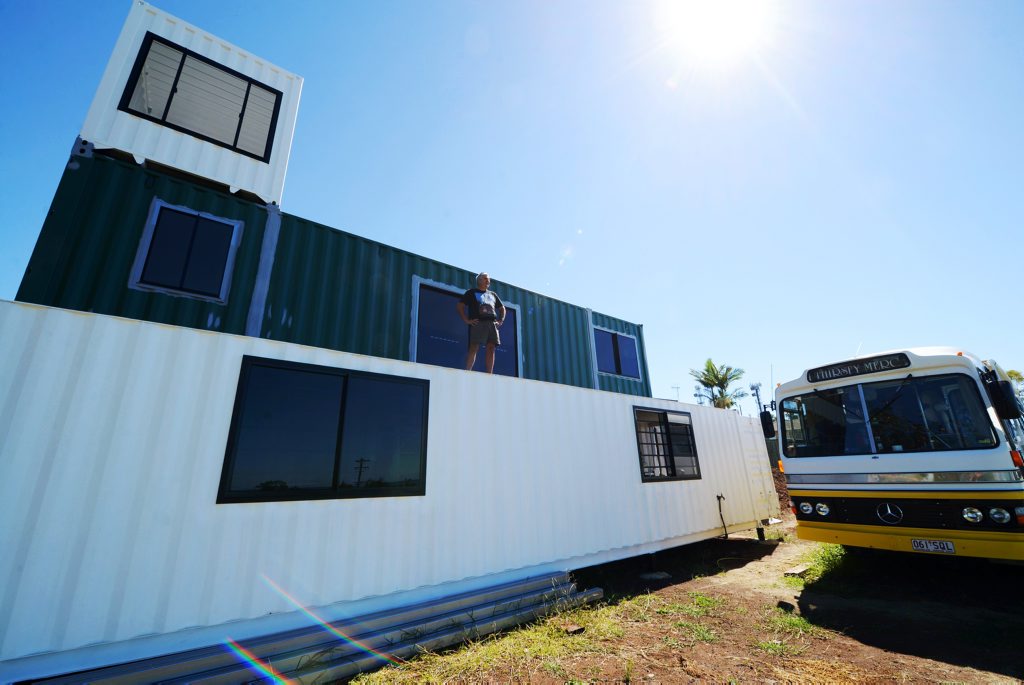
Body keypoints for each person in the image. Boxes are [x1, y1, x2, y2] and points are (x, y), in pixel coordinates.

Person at [456, 272, 505, 373]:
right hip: (478, 322)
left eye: (489, 279)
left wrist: (500, 320)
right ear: (479, 280)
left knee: (491, 348)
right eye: (486, 278)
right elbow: (460, 306)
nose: (488, 280)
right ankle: (468, 372)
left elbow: (502, 308)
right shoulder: (471, 292)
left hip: (492, 323)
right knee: (474, 346)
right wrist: (466, 320)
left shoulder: (493, 294)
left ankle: (489, 374)